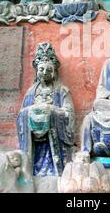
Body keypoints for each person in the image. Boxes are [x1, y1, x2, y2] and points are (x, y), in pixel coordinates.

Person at [17, 43, 74, 176]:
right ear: (37, 71)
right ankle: (30, 169)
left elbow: (68, 114)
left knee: (49, 113)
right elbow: (21, 113)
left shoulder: (62, 91)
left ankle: (56, 168)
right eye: (41, 69)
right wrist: (30, 112)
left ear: (54, 73)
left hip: (53, 129)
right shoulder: (31, 92)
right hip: (34, 129)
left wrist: (51, 110)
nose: (44, 73)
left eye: (48, 70)